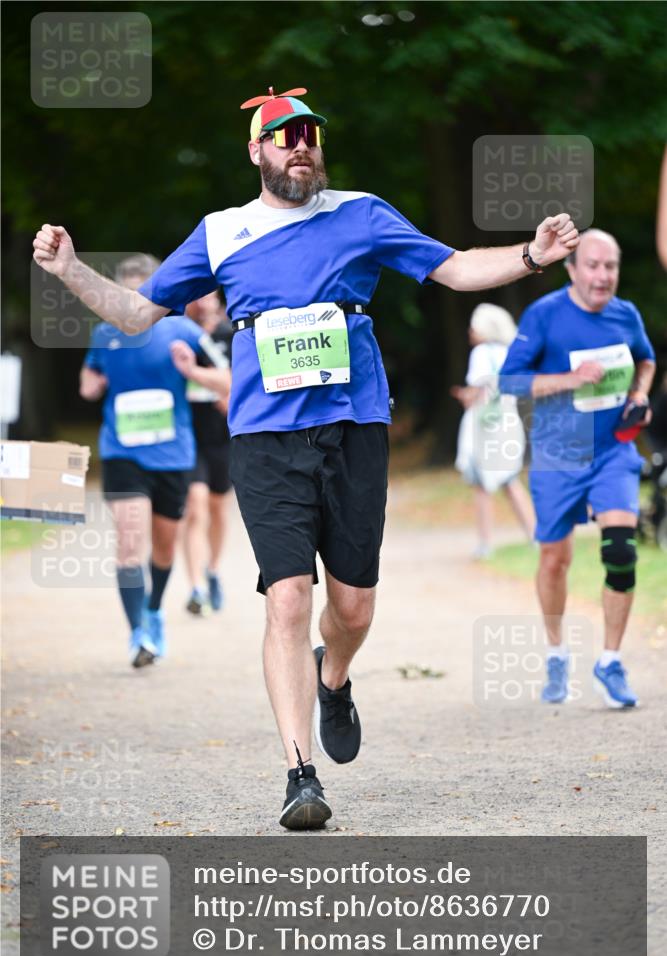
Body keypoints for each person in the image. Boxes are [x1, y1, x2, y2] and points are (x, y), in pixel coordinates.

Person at [33, 86, 579, 829]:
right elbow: (135, 313)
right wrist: (70, 270)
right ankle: (300, 775)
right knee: (287, 596)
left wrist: (530, 255)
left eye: (309, 135)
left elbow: (453, 269)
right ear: (255, 151)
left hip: (354, 427)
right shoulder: (222, 232)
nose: (300, 146)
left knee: (352, 607)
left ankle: (335, 675)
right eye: (284, 136)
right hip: (265, 437)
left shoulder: (361, 214)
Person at [499, 229, 656, 708]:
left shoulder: (626, 314)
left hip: (612, 451)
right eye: (593, 265)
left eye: (611, 266)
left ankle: (610, 661)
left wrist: (639, 394)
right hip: (558, 455)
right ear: (571, 269)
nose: (603, 275)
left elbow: (646, 361)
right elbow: (509, 381)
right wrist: (570, 379)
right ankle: (556, 652)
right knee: (555, 559)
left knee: (621, 551)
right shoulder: (544, 314)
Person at [80, 254, 230, 668]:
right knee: (129, 543)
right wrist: (93, 384)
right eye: (126, 294)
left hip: (172, 456)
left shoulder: (183, 331)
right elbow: (88, 381)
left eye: (141, 295)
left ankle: (153, 610)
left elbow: (227, 380)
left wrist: (193, 372)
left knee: (164, 547)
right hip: (122, 452)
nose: (132, 304)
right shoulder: (104, 333)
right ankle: (137, 635)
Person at [451, 303, 535, 558]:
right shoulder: (509, 352)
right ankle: (535, 535)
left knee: (481, 485)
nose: (470, 331)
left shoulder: (481, 353)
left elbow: (478, 392)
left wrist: (464, 395)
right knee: (510, 481)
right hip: (508, 423)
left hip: (484, 426)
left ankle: (485, 543)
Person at [183, 291, 234, 616]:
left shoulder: (232, 333)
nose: (202, 302)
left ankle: (212, 569)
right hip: (188, 435)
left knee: (217, 507)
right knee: (195, 507)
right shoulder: (180, 334)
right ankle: (196, 587)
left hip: (223, 436)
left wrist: (233, 395)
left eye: (208, 295)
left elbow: (251, 376)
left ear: (217, 298)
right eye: (195, 296)